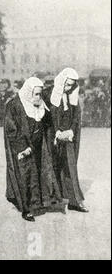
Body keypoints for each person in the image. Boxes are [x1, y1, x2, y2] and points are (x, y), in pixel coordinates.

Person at [4, 77, 63, 222]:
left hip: (37, 146)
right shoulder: (14, 105)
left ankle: (37, 203)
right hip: (23, 147)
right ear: (29, 93)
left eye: (40, 94)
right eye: (36, 94)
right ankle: (26, 209)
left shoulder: (40, 104)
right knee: (25, 175)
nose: (39, 97)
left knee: (37, 173)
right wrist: (23, 147)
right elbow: (11, 129)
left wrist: (53, 135)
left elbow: (48, 122)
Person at [50, 68, 89, 213]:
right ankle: (52, 199)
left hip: (68, 137)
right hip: (52, 138)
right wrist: (56, 132)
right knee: (52, 166)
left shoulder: (73, 96)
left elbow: (76, 116)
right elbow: (47, 116)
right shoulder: (50, 94)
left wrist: (71, 130)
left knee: (70, 168)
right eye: (67, 85)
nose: (68, 88)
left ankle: (74, 201)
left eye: (71, 85)